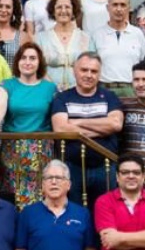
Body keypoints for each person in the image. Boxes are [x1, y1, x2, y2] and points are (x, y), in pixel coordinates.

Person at [0, 43, 57, 208]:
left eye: (32, 58)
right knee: (14, 196)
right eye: (23, 58)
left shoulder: (50, 88)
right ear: (17, 61)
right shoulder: (7, 85)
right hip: (14, 148)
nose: (27, 62)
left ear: (39, 62)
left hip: (41, 148)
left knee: (40, 195)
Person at [50, 52, 124, 208]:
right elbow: (61, 128)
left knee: (106, 212)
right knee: (74, 211)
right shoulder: (62, 98)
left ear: (99, 74)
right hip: (72, 168)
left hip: (105, 166)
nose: (89, 75)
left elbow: (116, 124)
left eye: (94, 71)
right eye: (84, 70)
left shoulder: (109, 97)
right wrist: (102, 128)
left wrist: (79, 122)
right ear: (74, 71)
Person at [92, 0, 145, 98]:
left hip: (132, 90)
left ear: (128, 8)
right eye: (115, 5)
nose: (119, 9)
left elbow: (144, 64)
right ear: (108, 8)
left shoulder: (137, 34)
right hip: (104, 89)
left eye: (123, 5)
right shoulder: (97, 34)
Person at [36, 0, 95, 91]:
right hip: (48, 92)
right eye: (59, 7)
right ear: (53, 11)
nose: (63, 11)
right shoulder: (40, 38)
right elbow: (36, 66)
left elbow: (93, 66)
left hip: (80, 93)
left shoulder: (86, 38)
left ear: (73, 11)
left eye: (67, 7)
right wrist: (52, 88)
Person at [0, 0, 28, 72]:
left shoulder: (23, 37)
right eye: (0, 6)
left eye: (8, 7)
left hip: (14, 82)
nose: (3, 10)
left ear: (13, 10)